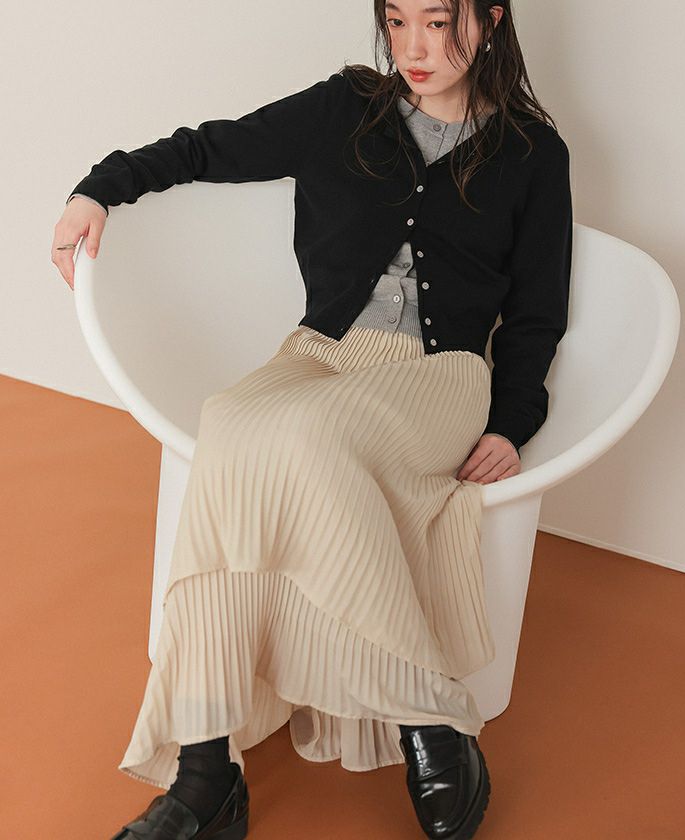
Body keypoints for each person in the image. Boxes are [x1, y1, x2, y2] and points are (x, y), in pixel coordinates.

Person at [51, 0, 573, 837]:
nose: (413, 47)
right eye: (396, 20)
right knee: (229, 422)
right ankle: (206, 771)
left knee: (302, 434)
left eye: (439, 22)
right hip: (321, 355)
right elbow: (208, 147)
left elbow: (538, 312)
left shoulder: (532, 154)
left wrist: (511, 422)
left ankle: (428, 712)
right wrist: (97, 188)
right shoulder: (345, 109)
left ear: (492, 18)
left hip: (440, 375)